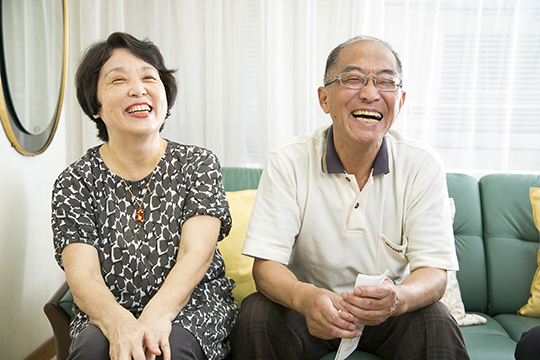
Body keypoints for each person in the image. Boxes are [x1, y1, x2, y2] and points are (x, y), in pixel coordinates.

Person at [230, 35, 469, 360]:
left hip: (387, 313)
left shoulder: (422, 164)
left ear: (400, 101)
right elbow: (266, 266)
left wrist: (398, 297)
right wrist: (306, 298)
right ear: (324, 98)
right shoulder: (288, 160)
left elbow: (434, 273)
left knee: (436, 319)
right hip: (310, 308)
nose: (370, 94)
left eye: (386, 82)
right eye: (353, 79)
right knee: (257, 313)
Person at [51, 32, 237, 360]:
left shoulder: (198, 164)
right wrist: (121, 323)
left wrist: (156, 317)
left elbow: (198, 253)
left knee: (169, 350)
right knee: (92, 349)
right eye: (118, 80)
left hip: (190, 309)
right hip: (107, 313)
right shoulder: (74, 180)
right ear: (95, 105)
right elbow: (83, 276)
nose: (138, 89)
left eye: (149, 77)